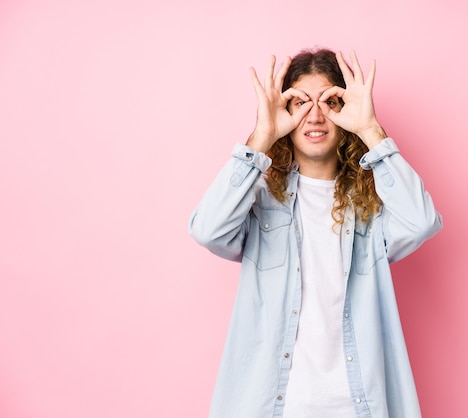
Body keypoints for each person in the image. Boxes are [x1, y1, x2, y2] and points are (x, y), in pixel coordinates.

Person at [189, 47, 442, 418]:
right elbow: (207, 229)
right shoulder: (259, 202)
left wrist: (371, 131)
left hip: (358, 406)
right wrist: (260, 136)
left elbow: (422, 221)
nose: (315, 114)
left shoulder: (371, 209)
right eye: (300, 103)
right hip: (275, 406)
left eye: (330, 101)